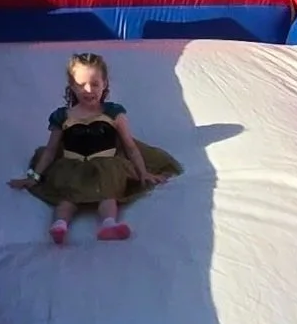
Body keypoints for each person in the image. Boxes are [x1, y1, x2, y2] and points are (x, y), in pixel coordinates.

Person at [12, 50, 181, 243]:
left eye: (95, 84)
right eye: (81, 84)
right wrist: (33, 177)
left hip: (106, 167)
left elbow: (130, 147)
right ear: (72, 86)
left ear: (105, 84)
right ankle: (59, 225)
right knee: (68, 198)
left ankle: (108, 224)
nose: (88, 90)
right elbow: (51, 151)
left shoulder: (113, 113)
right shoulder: (63, 116)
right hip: (72, 167)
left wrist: (143, 173)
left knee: (108, 195)